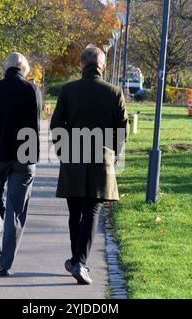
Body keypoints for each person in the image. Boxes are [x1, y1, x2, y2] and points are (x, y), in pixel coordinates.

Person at [50, 45, 128, 285]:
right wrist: (113, 155)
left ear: (81, 64)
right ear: (103, 65)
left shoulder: (68, 90)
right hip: (100, 158)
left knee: (75, 212)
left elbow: (56, 124)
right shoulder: (114, 92)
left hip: (73, 156)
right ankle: (80, 263)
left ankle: (76, 260)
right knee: (92, 210)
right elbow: (121, 129)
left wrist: (63, 150)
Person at [0, 52, 42, 276]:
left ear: (5, 67)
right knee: (16, 209)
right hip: (24, 155)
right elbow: (36, 122)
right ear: (24, 69)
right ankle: (5, 264)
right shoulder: (32, 90)